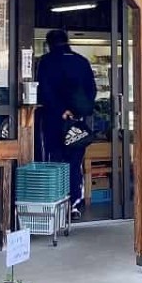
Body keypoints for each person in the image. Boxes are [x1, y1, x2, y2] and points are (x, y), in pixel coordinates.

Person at [36, 28, 97, 215]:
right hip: (77, 122)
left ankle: (55, 203)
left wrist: (61, 111)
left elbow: (43, 91)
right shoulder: (82, 61)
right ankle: (74, 204)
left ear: (49, 43)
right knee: (74, 161)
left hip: (53, 120)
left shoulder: (46, 61)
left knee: (53, 160)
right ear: (67, 41)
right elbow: (92, 91)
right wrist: (74, 111)